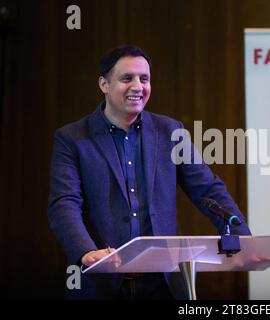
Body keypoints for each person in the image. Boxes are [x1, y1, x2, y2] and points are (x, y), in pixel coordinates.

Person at [47, 45, 251, 300]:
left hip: (162, 284)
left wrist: (243, 240)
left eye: (144, 79)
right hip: (101, 281)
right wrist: (86, 251)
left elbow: (208, 189)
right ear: (104, 84)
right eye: (126, 78)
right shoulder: (72, 138)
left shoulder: (170, 131)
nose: (138, 87)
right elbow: (64, 203)